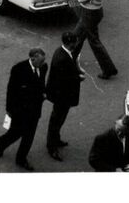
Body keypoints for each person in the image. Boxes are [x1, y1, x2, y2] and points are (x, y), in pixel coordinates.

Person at [0, 47, 47, 171]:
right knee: (15, 133)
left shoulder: (43, 67)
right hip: (20, 111)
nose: (43, 64)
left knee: (29, 136)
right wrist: (9, 110)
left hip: (35, 110)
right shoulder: (18, 69)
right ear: (33, 58)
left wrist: (43, 93)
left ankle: (21, 159)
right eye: (40, 61)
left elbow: (41, 83)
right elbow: (11, 91)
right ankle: (2, 142)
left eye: (43, 61)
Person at [72, 0, 118, 78]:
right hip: (92, 12)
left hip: (89, 14)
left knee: (87, 40)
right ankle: (71, 60)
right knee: (78, 37)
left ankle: (108, 69)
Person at [45, 31, 85, 161]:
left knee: (58, 119)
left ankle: (55, 140)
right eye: (75, 42)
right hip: (61, 97)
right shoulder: (62, 59)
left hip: (61, 95)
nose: (76, 44)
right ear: (70, 43)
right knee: (56, 120)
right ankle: (51, 146)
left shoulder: (61, 52)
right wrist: (79, 78)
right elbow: (65, 79)